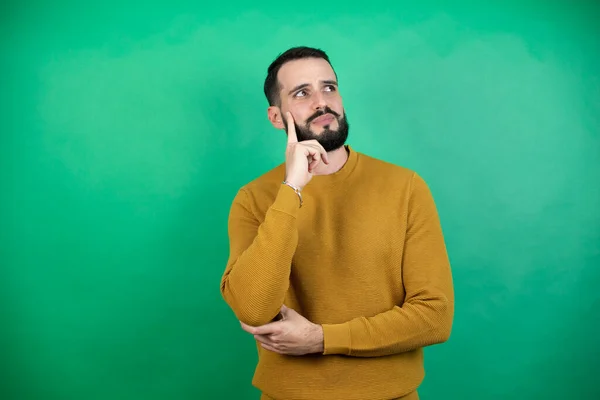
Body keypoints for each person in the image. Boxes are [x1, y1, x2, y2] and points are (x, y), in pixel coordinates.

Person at [220, 46, 454, 400]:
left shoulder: (405, 187)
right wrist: (292, 188)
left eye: (329, 87)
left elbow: (435, 316)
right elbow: (253, 308)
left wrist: (322, 339)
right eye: (302, 93)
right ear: (276, 117)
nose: (321, 102)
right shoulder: (253, 198)